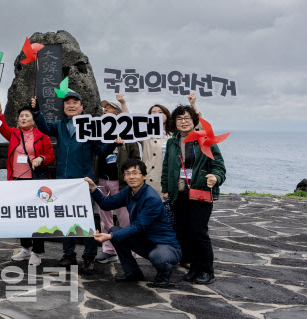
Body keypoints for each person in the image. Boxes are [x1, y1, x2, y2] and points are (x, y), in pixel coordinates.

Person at [32, 92, 116, 275]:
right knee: (66, 220)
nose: (71, 105)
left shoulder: (90, 126)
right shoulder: (60, 125)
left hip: (84, 182)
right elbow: (44, 128)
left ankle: (88, 257)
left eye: (75, 102)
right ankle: (68, 255)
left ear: (82, 106)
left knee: (86, 221)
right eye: (67, 102)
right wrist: (37, 112)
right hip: (63, 181)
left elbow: (101, 152)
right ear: (64, 107)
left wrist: (113, 144)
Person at [91, 159, 181, 288]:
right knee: (115, 231)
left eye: (135, 173)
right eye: (127, 173)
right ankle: (132, 272)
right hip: (144, 242)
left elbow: (139, 226)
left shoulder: (151, 198)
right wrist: (93, 189)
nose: (131, 177)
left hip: (166, 245)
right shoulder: (128, 192)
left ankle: (163, 275)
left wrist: (109, 237)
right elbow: (107, 204)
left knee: (157, 256)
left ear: (144, 176)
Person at [161, 104, 226, 285]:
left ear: (194, 120)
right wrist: (166, 188)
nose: (183, 122)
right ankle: (194, 268)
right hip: (178, 193)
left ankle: (206, 271)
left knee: (199, 232)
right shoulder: (172, 142)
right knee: (185, 233)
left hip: (200, 192)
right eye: (179, 119)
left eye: (187, 118)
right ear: (174, 122)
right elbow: (167, 167)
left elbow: (219, 166)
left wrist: (215, 178)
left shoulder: (205, 139)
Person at [0, 97, 55, 266]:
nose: (23, 118)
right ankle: (26, 248)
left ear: (34, 120)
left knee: (37, 218)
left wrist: (41, 158)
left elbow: (51, 157)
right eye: (21, 115)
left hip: (35, 182)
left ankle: (37, 252)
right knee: (21, 216)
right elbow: (1, 126)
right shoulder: (13, 133)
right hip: (17, 181)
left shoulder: (42, 136)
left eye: (27, 115)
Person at [95, 95, 141, 264]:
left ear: (118, 113)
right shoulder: (98, 132)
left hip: (121, 183)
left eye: (109, 108)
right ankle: (108, 249)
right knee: (104, 217)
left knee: (125, 218)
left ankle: (130, 250)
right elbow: (97, 154)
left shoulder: (129, 134)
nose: (105, 111)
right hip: (102, 180)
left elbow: (136, 157)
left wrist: (133, 179)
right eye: (104, 109)